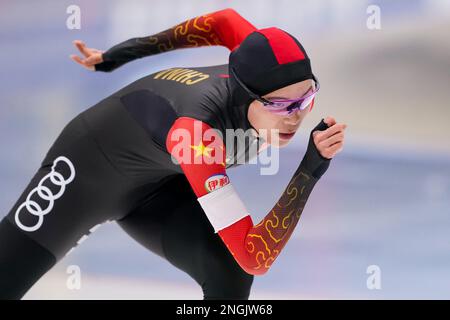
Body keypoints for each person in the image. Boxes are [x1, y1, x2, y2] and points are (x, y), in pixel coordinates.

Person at [0, 8, 346, 299]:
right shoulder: (195, 135)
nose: (296, 116)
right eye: (281, 106)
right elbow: (256, 255)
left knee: (228, 272)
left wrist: (120, 54)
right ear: (245, 96)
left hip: (158, 184)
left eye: (306, 99)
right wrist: (309, 170)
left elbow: (222, 22)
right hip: (87, 170)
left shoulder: (263, 58)